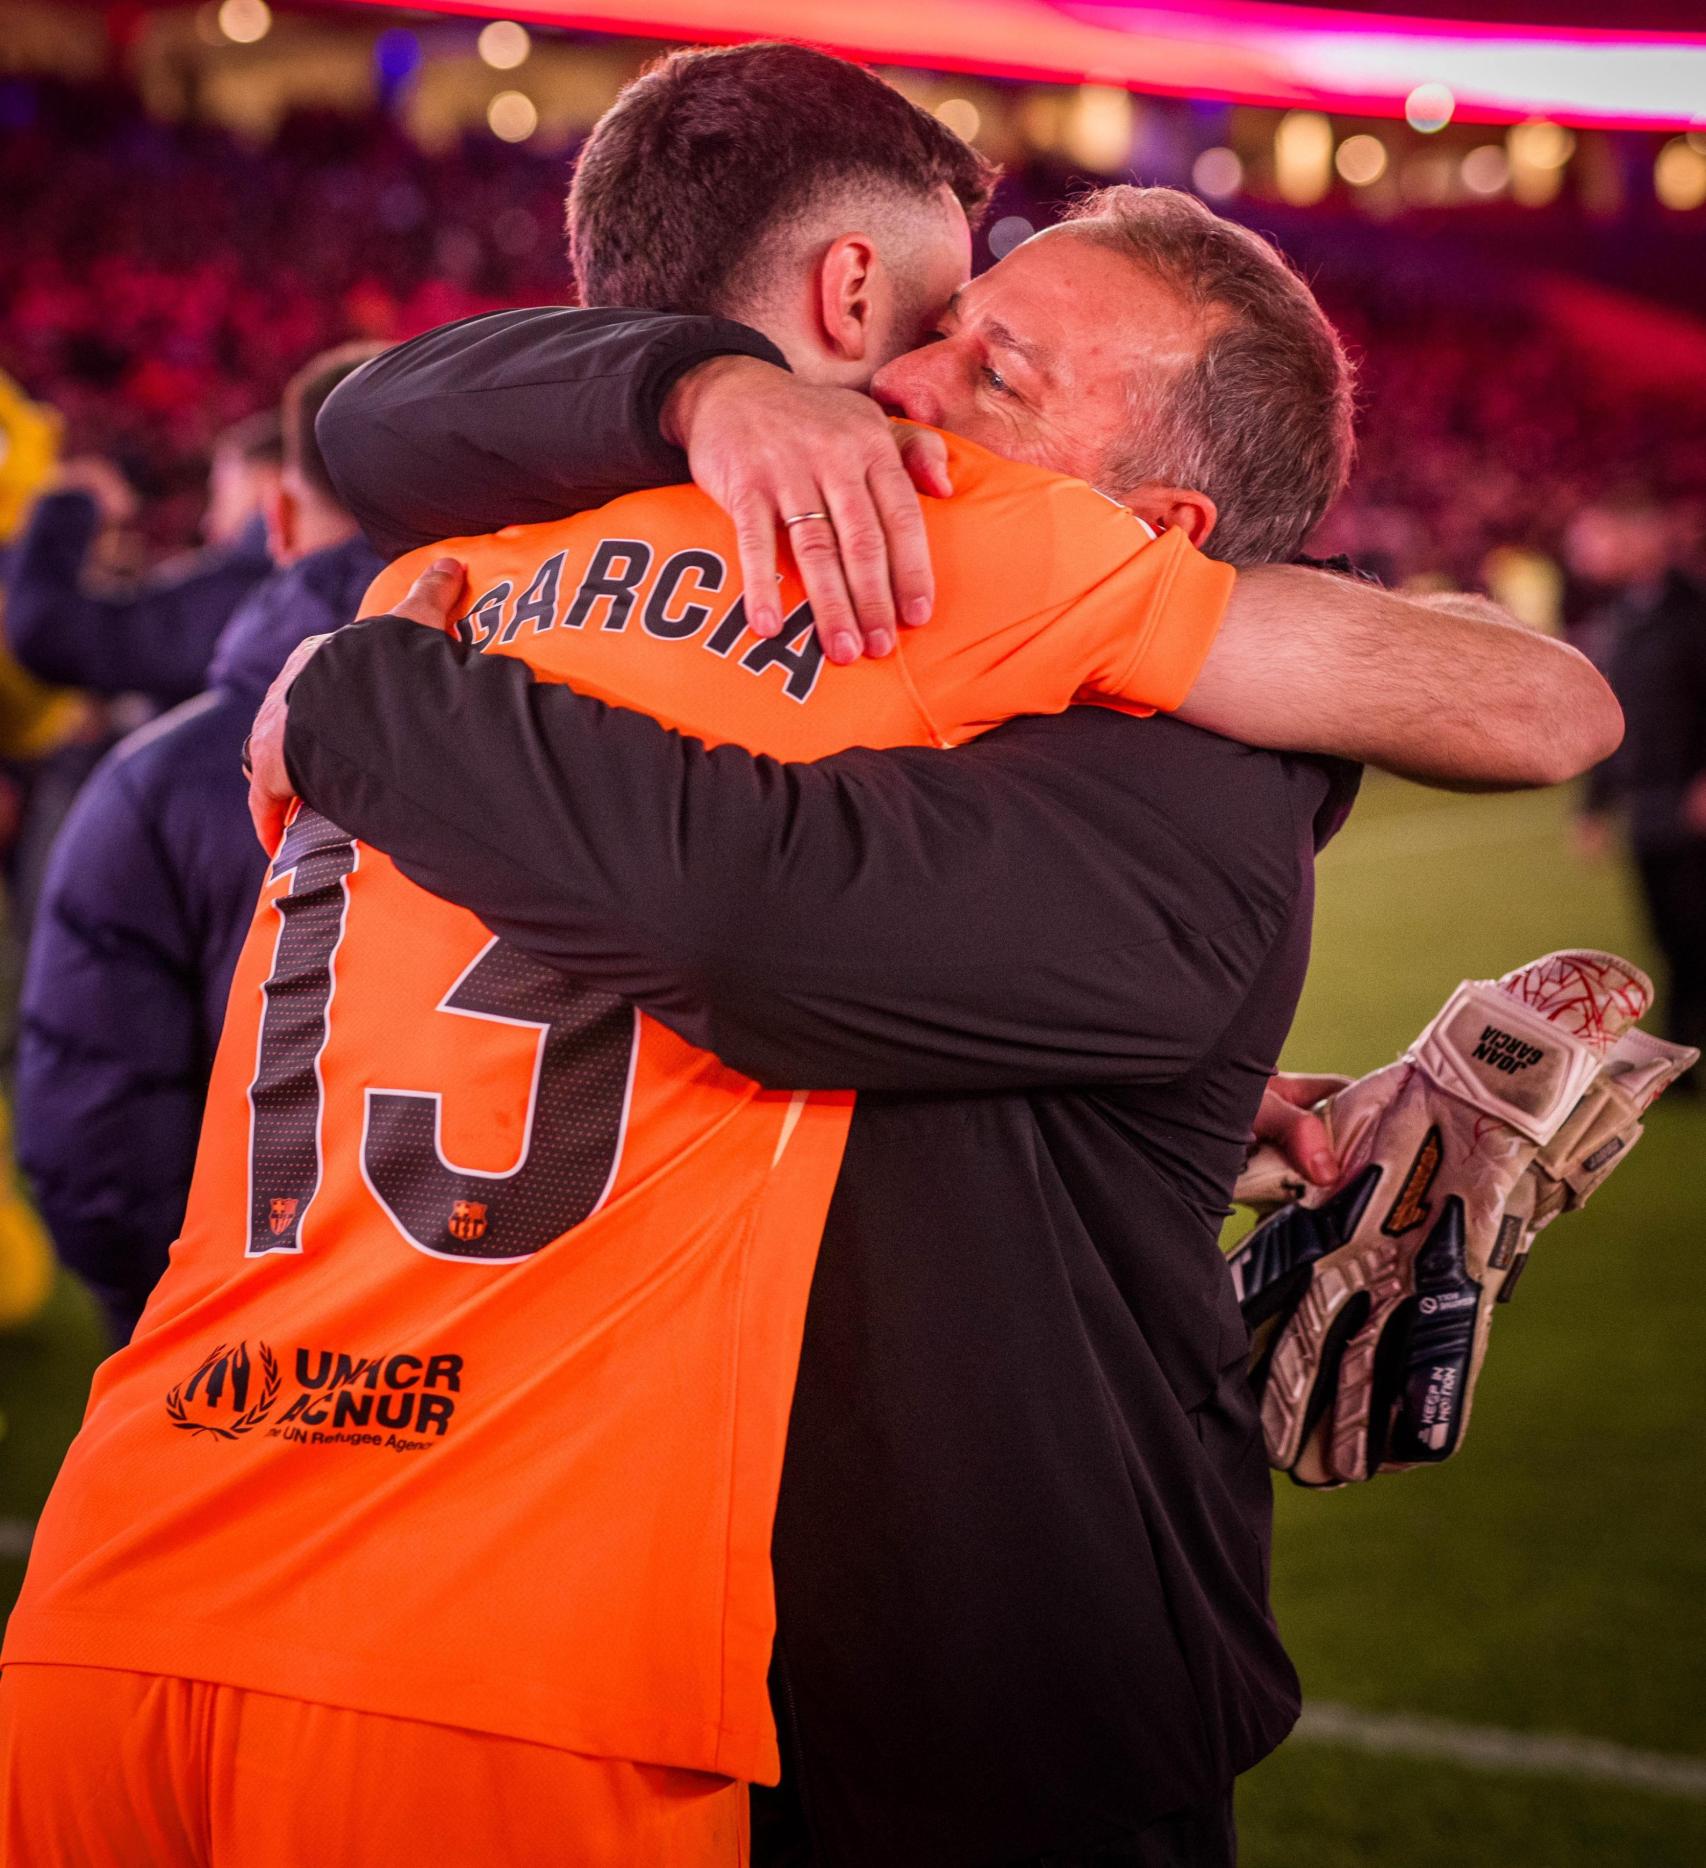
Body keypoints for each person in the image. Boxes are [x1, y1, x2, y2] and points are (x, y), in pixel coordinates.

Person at [5, 47, 1616, 1868]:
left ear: (1160, 533)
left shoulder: (469, 568)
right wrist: (694, 399)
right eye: (939, 326)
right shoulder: (852, 575)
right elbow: (760, 915)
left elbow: (751, 898)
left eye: (990, 365)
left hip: (917, 1693)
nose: (907, 389)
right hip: (519, 1646)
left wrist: (372, 696)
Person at [14, 349, 380, 1346]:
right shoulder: (564, 728)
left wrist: (156, 1309)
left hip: (235, 1287)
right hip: (469, 1301)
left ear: (276, 512)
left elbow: (100, 1135)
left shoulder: (162, 772)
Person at [2, 412, 279, 707]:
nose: (207, 523)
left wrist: (69, 504)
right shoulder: (285, 591)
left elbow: (50, 636)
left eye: (221, 495)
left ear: (265, 485)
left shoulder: (254, 590)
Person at [1571, 493, 1706, 1086]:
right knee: (1670, 935)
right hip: (1647, 809)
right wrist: (1594, 805)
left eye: (1600, 539)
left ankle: (1679, 1056)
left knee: (1695, 932)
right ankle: (1681, 1059)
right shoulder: (1621, 615)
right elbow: (1615, 715)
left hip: (1691, 803)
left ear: (1644, 536)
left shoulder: (1694, 608)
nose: (1587, 554)